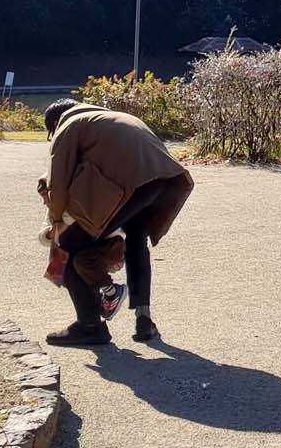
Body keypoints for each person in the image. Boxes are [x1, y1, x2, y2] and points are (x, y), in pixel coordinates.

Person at [40, 98, 193, 346]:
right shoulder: (109, 118)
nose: (52, 136)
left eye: (51, 132)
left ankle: (90, 326)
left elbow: (57, 182)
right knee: (136, 240)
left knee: (69, 245)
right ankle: (144, 320)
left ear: (55, 122)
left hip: (128, 185)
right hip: (164, 183)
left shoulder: (69, 124)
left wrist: (57, 223)